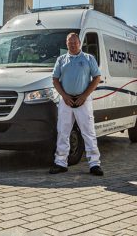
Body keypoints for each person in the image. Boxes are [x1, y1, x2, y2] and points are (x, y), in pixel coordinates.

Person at [49, 32, 103, 176]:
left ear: (79, 43)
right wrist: (64, 96)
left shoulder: (88, 58)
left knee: (89, 132)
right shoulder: (61, 60)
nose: (72, 45)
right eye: (69, 43)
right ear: (66, 44)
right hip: (66, 101)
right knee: (63, 132)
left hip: (83, 100)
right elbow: (55, 80)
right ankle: (60, 162)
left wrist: (84, 96)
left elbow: (97, 78)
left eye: (74, 42)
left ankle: (94, 164)